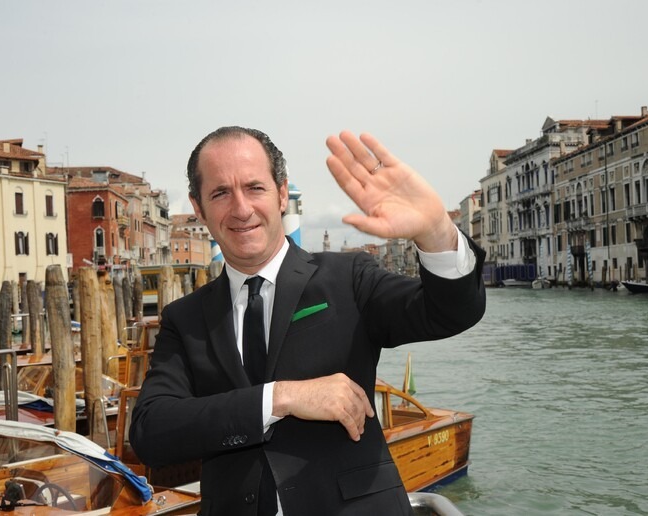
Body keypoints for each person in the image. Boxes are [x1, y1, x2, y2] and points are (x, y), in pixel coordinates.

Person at [129, 126, 487, 516]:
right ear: (198, 208)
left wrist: (435, 231)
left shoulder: (348, 277)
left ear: (282, 194)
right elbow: (151, 432)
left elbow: (449, 312)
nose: (241, 208)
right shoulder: (184, 318)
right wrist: (282, 397)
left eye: (255, 187)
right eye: (220, 193)